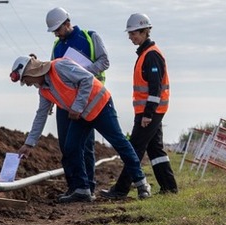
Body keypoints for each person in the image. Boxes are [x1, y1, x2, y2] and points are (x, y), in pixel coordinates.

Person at [11, 55, 151, 203]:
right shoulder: (44, 90)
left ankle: (142, 183)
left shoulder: (59, 66)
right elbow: (41, 116)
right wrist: (29, 143)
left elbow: (87, 79)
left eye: (25, 80)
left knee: (119, 143)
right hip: (82, 115)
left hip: (100, 106)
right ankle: (82, 189)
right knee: (71, 147)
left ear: (32, 72)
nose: (27, 84)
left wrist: (77, 107)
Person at [100, 13, 178, 200]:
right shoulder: (146, 53)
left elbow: (155, 88)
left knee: (133, 148)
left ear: (145, 32)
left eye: (134, 33)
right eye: (130, 34)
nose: (130, 37)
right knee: (155, 150)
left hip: (150, 112)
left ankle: (120, 190)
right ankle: (170, 188)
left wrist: (148, 114)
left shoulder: (151, 55)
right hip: (150, 111)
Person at [45, 7, 110, 197]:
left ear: (67, 23)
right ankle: (74, 186)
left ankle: (88, 186)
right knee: (66, 145)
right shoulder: (57, 46)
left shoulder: (90, 37)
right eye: (54, 31)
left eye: (58, 29)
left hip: (86, 100)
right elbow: (51, 74)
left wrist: (83, 73)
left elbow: (104, 61)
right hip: (64, 103)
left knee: (86, 145)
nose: (56, 33)